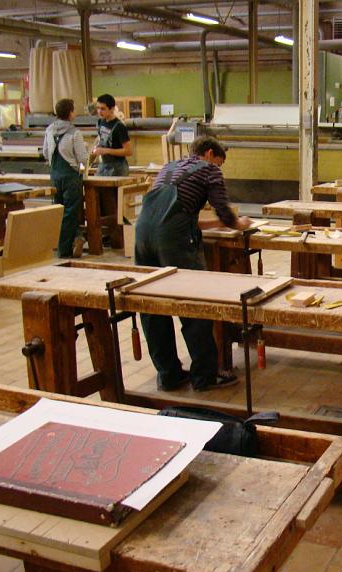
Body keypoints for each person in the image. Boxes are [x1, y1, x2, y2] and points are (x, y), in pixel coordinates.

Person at [135, 136, 252, 392]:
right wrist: (238, 224)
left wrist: (218, 224)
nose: (218, 168)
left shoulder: (170, 168)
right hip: (172, 241)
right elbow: (224, 211)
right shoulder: (209, 170)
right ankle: (204, 377)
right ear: (209, 154)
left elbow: (174, 218)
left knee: (151, 306)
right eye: (219, 162)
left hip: (143, 236)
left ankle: (169, 375)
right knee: (195, 303)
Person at [43, 98, 88, 259]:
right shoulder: (74, 133)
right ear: (70, 113)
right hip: (70, 176)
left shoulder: (49, 130)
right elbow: (83, 158)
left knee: (59, 211)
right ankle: (65, 249)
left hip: (55, 175)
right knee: (70, 213)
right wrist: (81, 172)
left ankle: (68, 243)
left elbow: (45, 152)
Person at [92, 94, 132, 176]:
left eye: (103, 109)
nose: (99, 111)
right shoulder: (100, 122)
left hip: (118, 167)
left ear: (112, 109)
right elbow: (100, 140)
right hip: (104, 165)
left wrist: (106, 151)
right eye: (98, 108)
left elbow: (128, 151)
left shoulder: (119, 127)